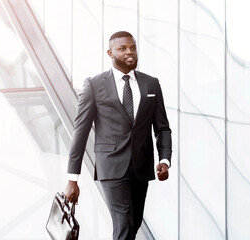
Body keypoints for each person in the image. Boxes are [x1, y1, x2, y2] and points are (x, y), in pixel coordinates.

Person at [64, 31, 172, 240]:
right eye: (122, 49)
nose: (129, 52)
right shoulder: (94, 85)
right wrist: (72, 178)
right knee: (123, 223)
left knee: (134, 223)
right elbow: (81, 131)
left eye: (132, 47)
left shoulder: (151, 84)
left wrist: (165, 159)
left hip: (142, 166)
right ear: (110, 52)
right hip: (111, 166)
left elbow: (162, 127)